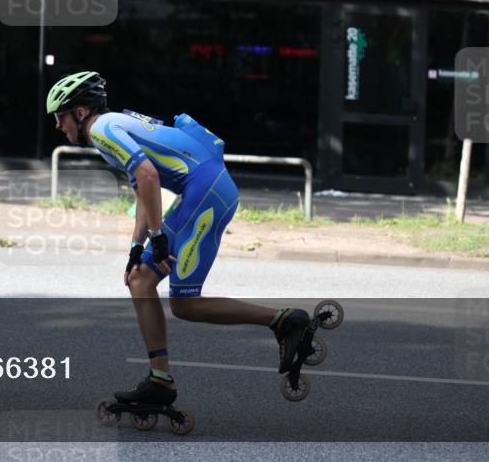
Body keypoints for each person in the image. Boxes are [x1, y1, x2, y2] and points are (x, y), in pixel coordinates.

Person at [46, 71, 319, 407]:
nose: (58, 126)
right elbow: (143, 189)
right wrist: (137, 247)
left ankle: (285, 321)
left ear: (80, 112)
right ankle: (159, 381)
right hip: (201, 190)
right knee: (139, 279)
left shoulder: (101, 130)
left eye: (60, 117)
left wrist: (158, 236)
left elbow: (149, 175)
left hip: (205, 193)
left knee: (185, 304)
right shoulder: (109, 127)